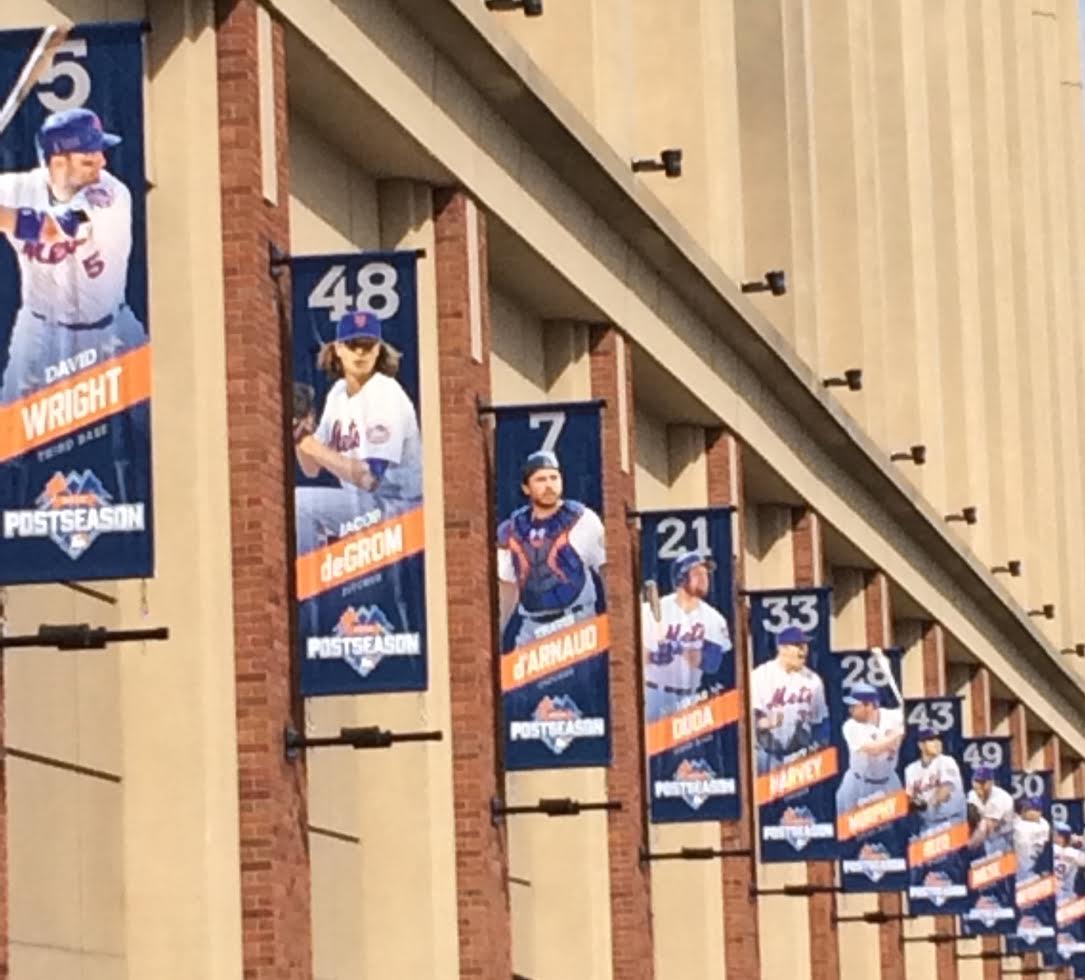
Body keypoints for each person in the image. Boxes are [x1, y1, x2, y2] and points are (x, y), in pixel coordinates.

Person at [0, 107, 145, 405]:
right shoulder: (19, 188)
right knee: (11, 426)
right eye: (88, 159)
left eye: (100, 153)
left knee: (150, 417)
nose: (102, 162)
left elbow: (53, 229)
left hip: (112, 330)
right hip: (38, 331)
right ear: (58, 162)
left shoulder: (109, 194)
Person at [294, 310, 422, 554]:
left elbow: (369, 478)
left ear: (378, 350)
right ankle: (315, 571)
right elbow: (311, 469)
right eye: (353, 345)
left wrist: (312, 446)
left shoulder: (385, 392)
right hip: (368, 506)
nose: (361, 353)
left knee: (301, 504)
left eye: (367, 345)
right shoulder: (338, 393)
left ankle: (309, 576)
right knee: (300, 503)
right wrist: (300, 434)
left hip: (402, 511)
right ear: (338, 349)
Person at [496, 449, 605, 650]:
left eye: (554, 478)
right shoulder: (512, 529)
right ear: (526, 488)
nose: (549, 485)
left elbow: (608, 570)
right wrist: (498, 632)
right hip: (532, 628)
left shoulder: (583, 519)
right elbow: (508, 585)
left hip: (577, 622)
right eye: (541, 479)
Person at [641, 550, 731, 722]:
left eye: (705, 574)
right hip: (653, 694)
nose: (705, 579)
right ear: (681, 579)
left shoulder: (714, 618)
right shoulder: (651, 610)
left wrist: (680, 649)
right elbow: (631, 654)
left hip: (690, 698)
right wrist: (653, 656)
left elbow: (713, 662)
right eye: (697, 574)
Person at [750, 625, 828, 774]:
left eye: (805, 645)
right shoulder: (760, 676)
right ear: (782, 649)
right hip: (765, 754)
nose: (804, 650)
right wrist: (765, 723)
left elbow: (821, 721)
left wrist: (818, 749)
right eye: (798, 645)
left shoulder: (813, 680)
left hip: (799, 755)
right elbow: (748, 719)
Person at [835, 681, 905, 815]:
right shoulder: (850, 726)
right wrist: (896, 735)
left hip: (888, 782)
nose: (850, 710)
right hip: (858, 784)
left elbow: (908, 720)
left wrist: (901, 732)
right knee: (853, 824)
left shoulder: (894, 717)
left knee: (894, 824)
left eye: (855, 706)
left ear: (869, 706)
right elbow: (874, 750)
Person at [904, 728, 967, 832]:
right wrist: (914, 803)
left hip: (952, 822)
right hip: (928, 825)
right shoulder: (911, 769)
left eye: (939, 739)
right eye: (931, 740)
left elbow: (945, 790)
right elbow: (911, 798)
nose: (937, 743)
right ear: (921, 745)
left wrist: (927, 803)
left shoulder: (947, 761)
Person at [966, 766, 1015, 856]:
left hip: (1007, 836)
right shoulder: (972, 795)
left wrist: (967, 846)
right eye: (976, 781)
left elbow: (987, 827)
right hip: (989, 837)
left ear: (991, 782)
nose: (979, 785)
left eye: (983, 782)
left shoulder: (1000, 798)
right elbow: (973, 819)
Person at [1014, 797, 1051, 882]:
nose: (1023, 811)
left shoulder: (1022, 827)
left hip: (1028, 864)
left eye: (1028, 809)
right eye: (1024, 808)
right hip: (1031, 863)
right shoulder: (1044, 822)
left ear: (1039, 812)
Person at [1053, 821, 1085, 902]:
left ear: (1060, 837)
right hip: (1065, 897)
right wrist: (1080, 843)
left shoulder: (1050, 849)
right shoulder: (1075, 854)